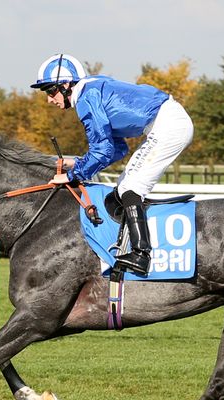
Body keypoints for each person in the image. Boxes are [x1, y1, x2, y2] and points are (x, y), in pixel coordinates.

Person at [31, 53, 194, 276]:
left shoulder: (85, 98)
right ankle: (127, 245)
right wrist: (77, 162)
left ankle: (141, 254)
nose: (50, 99)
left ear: (66, 85)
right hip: (167, 123)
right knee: (120, 191)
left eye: (51, 91)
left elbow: (103, 150)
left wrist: (71, 176)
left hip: (167, 126)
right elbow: (117, 149)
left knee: (130, 188)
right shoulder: (89, 90)